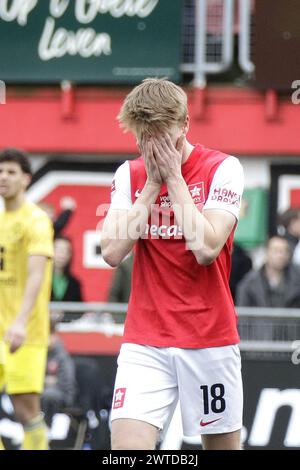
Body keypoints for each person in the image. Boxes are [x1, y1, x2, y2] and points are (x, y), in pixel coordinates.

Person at [101, 78, 244, 450]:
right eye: (144, 140)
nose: (155, 149)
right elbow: (112, 252)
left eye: (164, 138)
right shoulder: (129, 175)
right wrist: (151, 185)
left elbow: (206, 248)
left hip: (209, 337)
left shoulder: (223, 168)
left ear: (185, 125)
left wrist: (175, 179)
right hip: (145, 339)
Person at [0, 148, 54, 450]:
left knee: (24, 409)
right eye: (0, 171)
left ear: (26, 179)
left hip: (26, 332)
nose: (3, 177)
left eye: (11, 172)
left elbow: (36, 276)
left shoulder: (36, 220)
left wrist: (19, 322)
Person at [236, 236, 300, 308]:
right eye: (276, 251)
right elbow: (243, 313)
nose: (281, 255)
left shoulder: (297, 280)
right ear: (266, 252)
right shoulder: (248, 284)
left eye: (285, 251)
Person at [41, 311, 76, 428]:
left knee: (49, 395)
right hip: (40, 392)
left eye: (49, 334)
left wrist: (45, 382)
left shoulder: (61, 355)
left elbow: (67, 383)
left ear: (55, 334)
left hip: (62, 395)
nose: (46, 338)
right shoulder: (38, 353)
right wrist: (47, 381)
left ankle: (47, 430)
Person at [51, 236, 83, 303]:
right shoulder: (42, 280)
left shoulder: (74, 283)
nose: (62, 254)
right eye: (58, 250)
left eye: (66, 251)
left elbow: (79, 308)